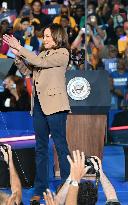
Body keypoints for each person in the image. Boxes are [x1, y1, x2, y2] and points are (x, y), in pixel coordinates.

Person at [3, 23, 71, 203]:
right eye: (45, 36)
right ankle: (40, 187)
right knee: (41, 148)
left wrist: (21, 47)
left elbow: (40, 63)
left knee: (60, 146)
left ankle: (67, 185)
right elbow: (27, 71)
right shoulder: (41, 54)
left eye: (48, 36)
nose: (45, 39)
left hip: (55, 106)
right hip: (39, 106)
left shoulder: (63, 53)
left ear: (58, 36)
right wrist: (18, 56)